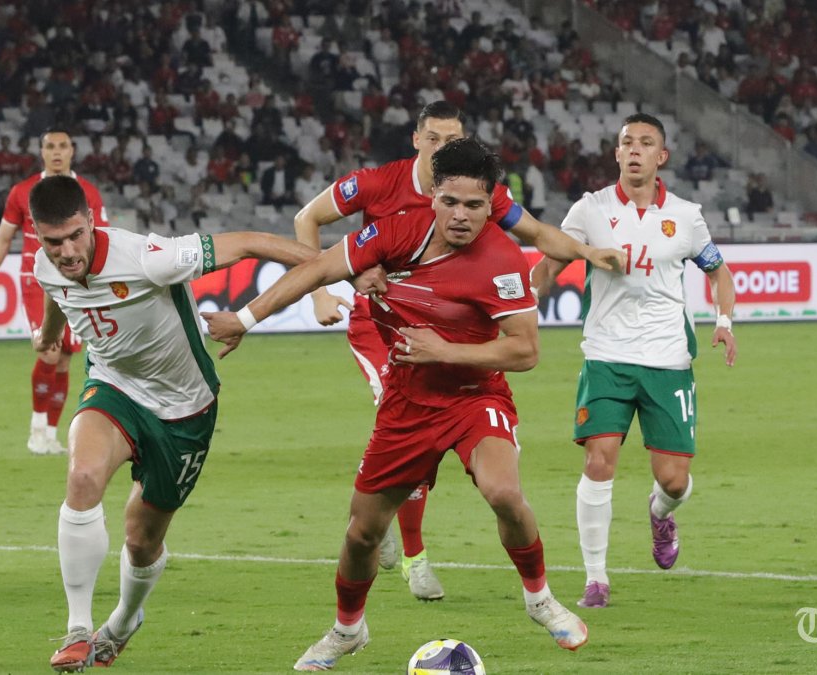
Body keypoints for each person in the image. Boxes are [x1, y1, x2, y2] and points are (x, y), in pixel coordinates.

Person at [208, 139, 590, 671]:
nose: (461, 216)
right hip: (407, 401)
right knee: (362, 532)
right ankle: (347, 630)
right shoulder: (392, 232)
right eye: (450, 202)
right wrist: (245, 320)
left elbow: (525, 351)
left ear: (490, 205)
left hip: (474, 395)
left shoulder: (502, 260)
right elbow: (318, 268)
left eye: (475, 206)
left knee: (504, 490)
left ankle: (540, 598)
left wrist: (446, 350)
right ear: (433, 194)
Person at [293, 100, 624, 601]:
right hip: (379, 327)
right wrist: (323, 289)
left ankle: (390, 532)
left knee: (434, 418)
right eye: (435, 138)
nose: (443, 147)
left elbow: (535, 233)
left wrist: (586, 253)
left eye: (453, 139)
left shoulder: (474, 192)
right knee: (401, 405)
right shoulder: (377, 183)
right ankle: (413, 553)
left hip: (445, 330)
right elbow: (307, 219)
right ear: (416, 139)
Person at [28, 175, 318, 672]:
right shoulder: (45, 265)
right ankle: (78, 630)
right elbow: (57, 295)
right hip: (114, 388)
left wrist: (338, 268)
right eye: (54, 242)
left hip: (185, 409)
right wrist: (48, 337)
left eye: (76, 235)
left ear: (91, 221)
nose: (67, 250)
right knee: (82, 477)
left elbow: (248, 242)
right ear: (38, 237)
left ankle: (123, 621)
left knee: (141, 540)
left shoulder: (148, 257)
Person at [530, 113, 738, 610]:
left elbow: (719, 272)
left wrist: (724, 321)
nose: (636, 150)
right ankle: (595, 579)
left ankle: (660, 512)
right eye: (628, 142)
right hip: (606, 355)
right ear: (617, 153)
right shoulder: (590, 209)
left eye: (647, 143)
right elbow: (548, 265)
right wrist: (513, 303)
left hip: (668, 358)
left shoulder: (686, 216)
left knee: (674, 479)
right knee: (598, 460)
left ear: (661, 156)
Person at [0, 128, 109, 456]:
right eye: (50, 146)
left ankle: (50, 434)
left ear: (72, 151)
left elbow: (104, 237)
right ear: (41, 151)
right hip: (37, 281)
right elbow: (3, 239)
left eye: (63, 146)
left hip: (77, 282)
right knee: (48, 352)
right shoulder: (23, 192)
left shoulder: (88, 192)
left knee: (64, 361)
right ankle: (36, 429)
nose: (56, 152)